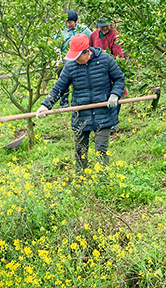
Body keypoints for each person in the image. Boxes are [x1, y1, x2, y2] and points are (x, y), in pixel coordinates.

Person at [36, 34, 125, 172]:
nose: (76, 59)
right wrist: (45, 105)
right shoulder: (71, 66)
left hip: (103, 112)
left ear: (87, 51)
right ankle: (81, 180)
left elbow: (119, 79)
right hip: (81, 114)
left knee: (101, 149)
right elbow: (59, 87)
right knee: (80, 150)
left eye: (78, 56)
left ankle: (103, 182)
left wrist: (115, 94)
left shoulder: (106, 60)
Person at [54, 10, 92, 108]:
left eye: (70, 22)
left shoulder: (84, 30)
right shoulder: (61, 32)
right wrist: (58, 60)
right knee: (63, 83)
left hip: (79, 61)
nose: (68, 24)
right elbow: (56, 47)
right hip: (65, 61)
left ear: (75, 21)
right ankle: (64, 103)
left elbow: (91, 41)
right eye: (66, 22)